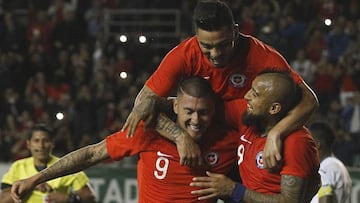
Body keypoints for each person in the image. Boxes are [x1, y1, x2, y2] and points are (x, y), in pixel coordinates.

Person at [122, 0, 318, 169]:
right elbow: (142, 106)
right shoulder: (183, 55)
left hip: (247, 150)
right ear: (196, 36)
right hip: (199, 151)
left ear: (235, 32)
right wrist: (180, 137)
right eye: (206, 46)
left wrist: (277, 132)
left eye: (223, 44)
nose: (215, 54)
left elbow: (309, 100)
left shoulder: (261, 56)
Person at [10, 77, 239, 203]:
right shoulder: (147, 133)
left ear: (214, 110)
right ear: (175, 105)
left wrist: (233, 191)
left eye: (204, 112)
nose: (196, 119)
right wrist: (35, 178)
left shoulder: (228, 142)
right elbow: (92, 153)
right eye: (189, 111)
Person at [190, 71, 320, 202]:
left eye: (255, 94)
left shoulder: (296, 142)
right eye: (250, 89)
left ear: (274, 109)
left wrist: (234, 190)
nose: (247, 96)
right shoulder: (248, 115)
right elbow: (200, 107)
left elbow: (291, 201)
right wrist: (181, 138)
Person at [0, 123, 96, 203]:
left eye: (45, 141)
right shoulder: (18, 167)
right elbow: (3, 200)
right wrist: (32, 185)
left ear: (52, 143)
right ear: (28, 144)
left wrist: (69, 199)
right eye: (36, 141)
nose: (41, 145)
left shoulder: (66, 164)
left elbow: (91, 198)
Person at [309, 121, 352, 203]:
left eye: (308, 141)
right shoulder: (335, 165)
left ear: (317, 144)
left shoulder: (328, 167)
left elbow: (326, 199)